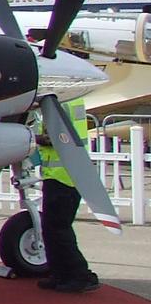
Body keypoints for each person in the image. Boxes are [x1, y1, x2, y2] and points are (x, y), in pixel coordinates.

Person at [35, 99, 99, 293]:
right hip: (61, 174)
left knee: (58, 228)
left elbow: (55, 138)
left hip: (64, 176)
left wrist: (31, 138)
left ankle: (80, 275)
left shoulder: (58, 105)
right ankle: (60, 273)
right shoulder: (63, 102)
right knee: (52, 228)